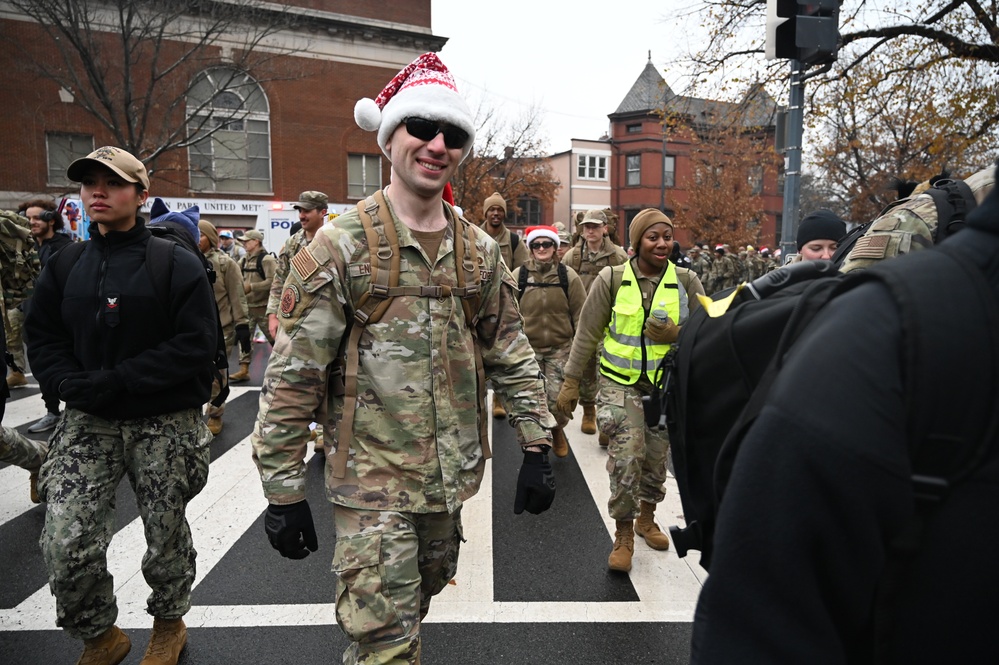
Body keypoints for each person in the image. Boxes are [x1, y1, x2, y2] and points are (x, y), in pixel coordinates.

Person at [252, 52, 556, 665]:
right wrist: (282, 491)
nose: (437, 144)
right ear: (389, 137)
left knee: (422, 598)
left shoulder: (477, 250)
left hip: (448, 482)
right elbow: (293, 376)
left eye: (453, 134)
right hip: (370, 487)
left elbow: (509, 349)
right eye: (421, 127)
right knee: (384, 644)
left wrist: (538, 442)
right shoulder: (341, 245)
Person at [689, 174, 999, 664]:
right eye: (814, 244)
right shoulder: (874, 325)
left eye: (830, 244)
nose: (822, 254)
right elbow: (769, 598)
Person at [25, 146, 216, 665]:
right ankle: (100, 636)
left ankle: (169, 623)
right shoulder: (66, 263)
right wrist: (66, 380)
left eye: (111, 182)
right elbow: (41, 334)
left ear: (141, 194)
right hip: (90, 418)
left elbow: (196, 343)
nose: (97, 192)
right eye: (88, 183)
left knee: (165, 530)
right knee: (65, 539)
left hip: (163, 418)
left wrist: (120, 379)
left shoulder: (173, 260)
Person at [556, 209, 704, 573]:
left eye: (667, 237)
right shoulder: (613, 278)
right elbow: (588, 332)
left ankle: (646, 518)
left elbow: (710, 328)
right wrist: (572, 381)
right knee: (627, 457)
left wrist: (678, 334)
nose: (662, 244)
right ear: (637, 241)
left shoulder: (686, 280)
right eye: (653, 237)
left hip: (664, 389)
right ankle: (623, 533)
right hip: (618, 384)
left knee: (655, 461)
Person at [512, 225, 586, 457]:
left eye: (546, 244)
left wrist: (579, 350)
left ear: (555, 247)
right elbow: (508, 314)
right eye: (536, 245)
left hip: (560, 349)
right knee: (531, 402)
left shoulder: (568, 276)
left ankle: (557, 430)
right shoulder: (518, 276)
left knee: (558, 402)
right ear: (530, 248)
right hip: (528, 350)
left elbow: (581, 316)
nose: (541, 248)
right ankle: (537, 444)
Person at [561, 209, 629, 444]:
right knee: (587, 369)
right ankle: (588, 411)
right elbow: (563, 287)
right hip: (583, 322)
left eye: (595, 226)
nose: (590, 230)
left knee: (608, 371)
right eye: (587, 226)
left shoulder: (619, 257)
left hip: (611, 323)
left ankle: (605, 419)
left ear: (604, 229)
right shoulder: (572, 256)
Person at [20, 198, 73, 433]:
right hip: (33, 314)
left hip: (61, 316)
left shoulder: (64, 247)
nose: (31, 222)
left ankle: (74, 410)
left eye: (36, 217)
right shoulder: (27, 247)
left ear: (51, 219)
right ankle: (52, 411)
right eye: (28, 217)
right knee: (41, 363)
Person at [198, 219, 250, 433]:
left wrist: (242, 324)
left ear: (210, 238)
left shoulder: (225, 263)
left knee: (216, 375)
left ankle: (215, 414)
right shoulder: (185, 258)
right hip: (193, 328)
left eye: (200, 235)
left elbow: (237, 295)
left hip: (221, 329)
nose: (196, 239)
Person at [266, 190, 328, 341]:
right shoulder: (292, 243)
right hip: (296, 319)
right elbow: (279, 279)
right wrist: (273, 315)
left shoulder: (334, 241)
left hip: (328, 320)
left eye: (307, 211)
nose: (301, 215)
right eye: (300, 210)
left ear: (323, 212)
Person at [237, 229, 277, 349]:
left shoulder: (267, 260)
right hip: (247, 307)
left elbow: (273, 282)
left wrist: (252, 287)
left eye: (247, 241)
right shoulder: (243, 260)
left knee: (274, 338)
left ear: (256, 242)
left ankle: (282, 364)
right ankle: (244, 367)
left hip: (263, 307)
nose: (244, 244)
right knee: (244, 340)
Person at [480, 191, 529, 272]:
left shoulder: (514, 241)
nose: (496, 213)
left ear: (504, 214)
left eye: (500, 210)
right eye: (492, 210)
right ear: (486, 213)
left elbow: (522, 272)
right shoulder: (474, 237)